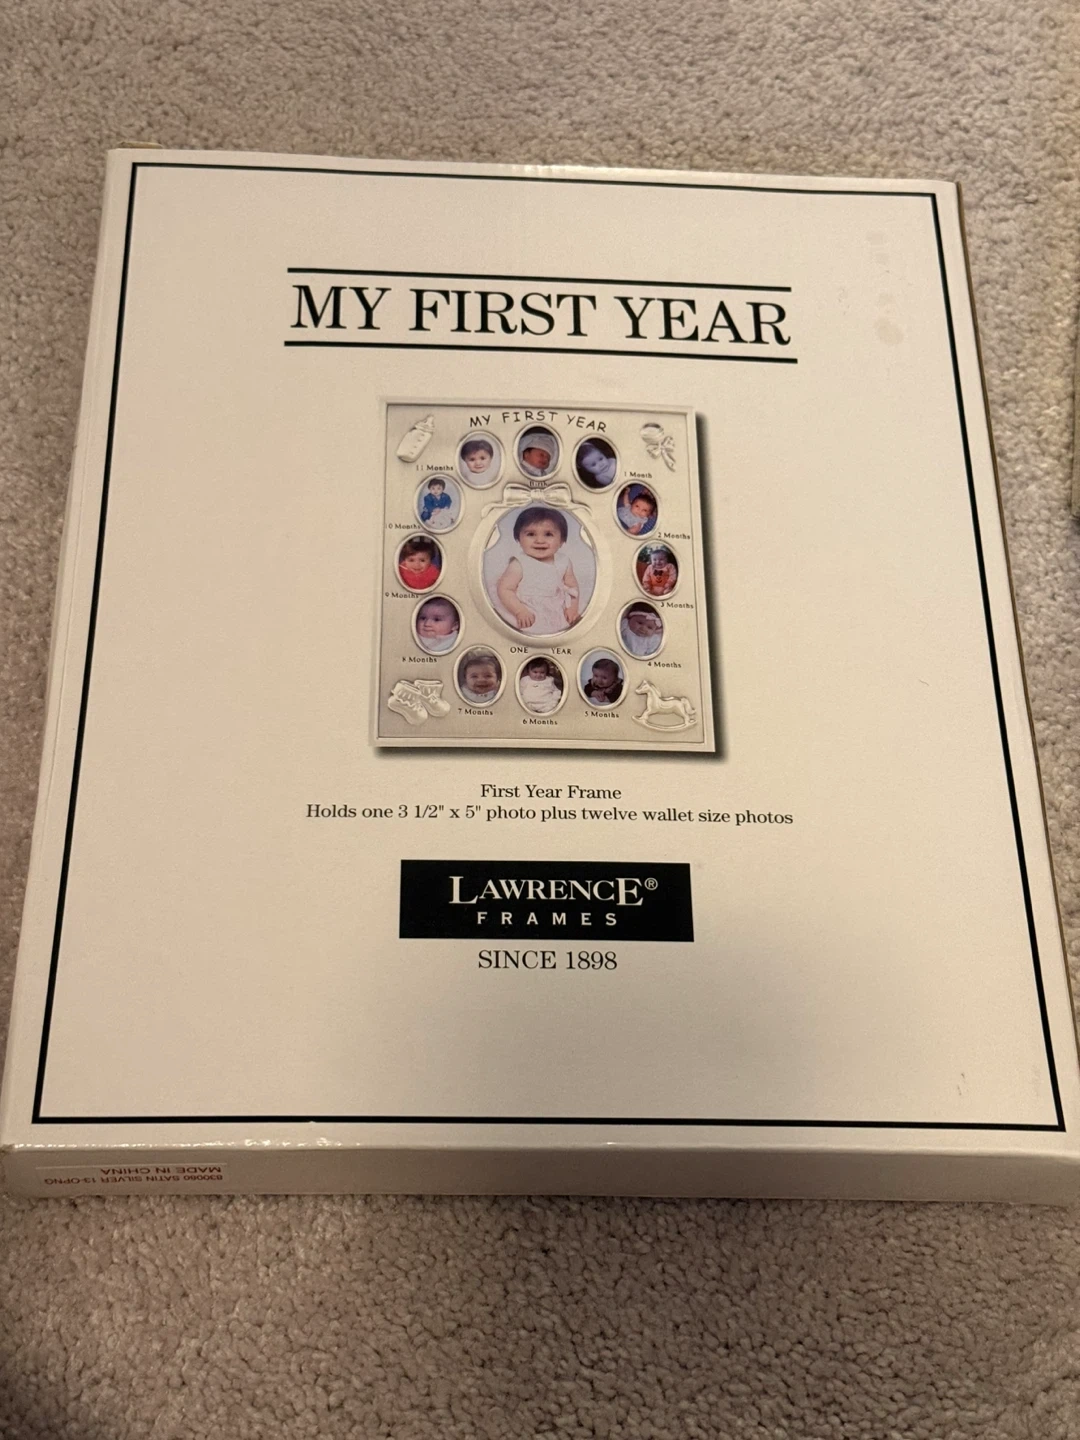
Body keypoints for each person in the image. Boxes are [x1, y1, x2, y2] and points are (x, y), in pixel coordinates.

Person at [494, 505, 580, 634]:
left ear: (562, 540)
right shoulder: (519, 563)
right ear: (518, 539)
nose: (539, 540)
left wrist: (572, 608)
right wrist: (519, 611)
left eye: (548, 534)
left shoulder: (564, 561)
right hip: (527, 607)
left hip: (556, 605)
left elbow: (572, 587)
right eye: (531, 534)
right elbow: (505, 589)